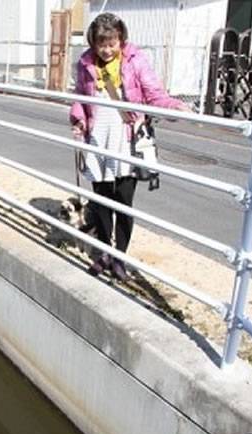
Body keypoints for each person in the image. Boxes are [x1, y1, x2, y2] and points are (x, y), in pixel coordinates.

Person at [70, 12, 188, 281]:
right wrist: (78, 121)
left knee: (123, 201)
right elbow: (79, 96)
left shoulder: (135, 60)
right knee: (101, 201)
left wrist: (174, 107)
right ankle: (103, 252)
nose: (107, 49)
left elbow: (153, 94)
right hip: (98, 138)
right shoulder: (86, 62)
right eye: (102, 44)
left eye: (112, 43)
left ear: (121, 39)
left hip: (126, 140)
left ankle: (119, 257)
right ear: (93, 42)